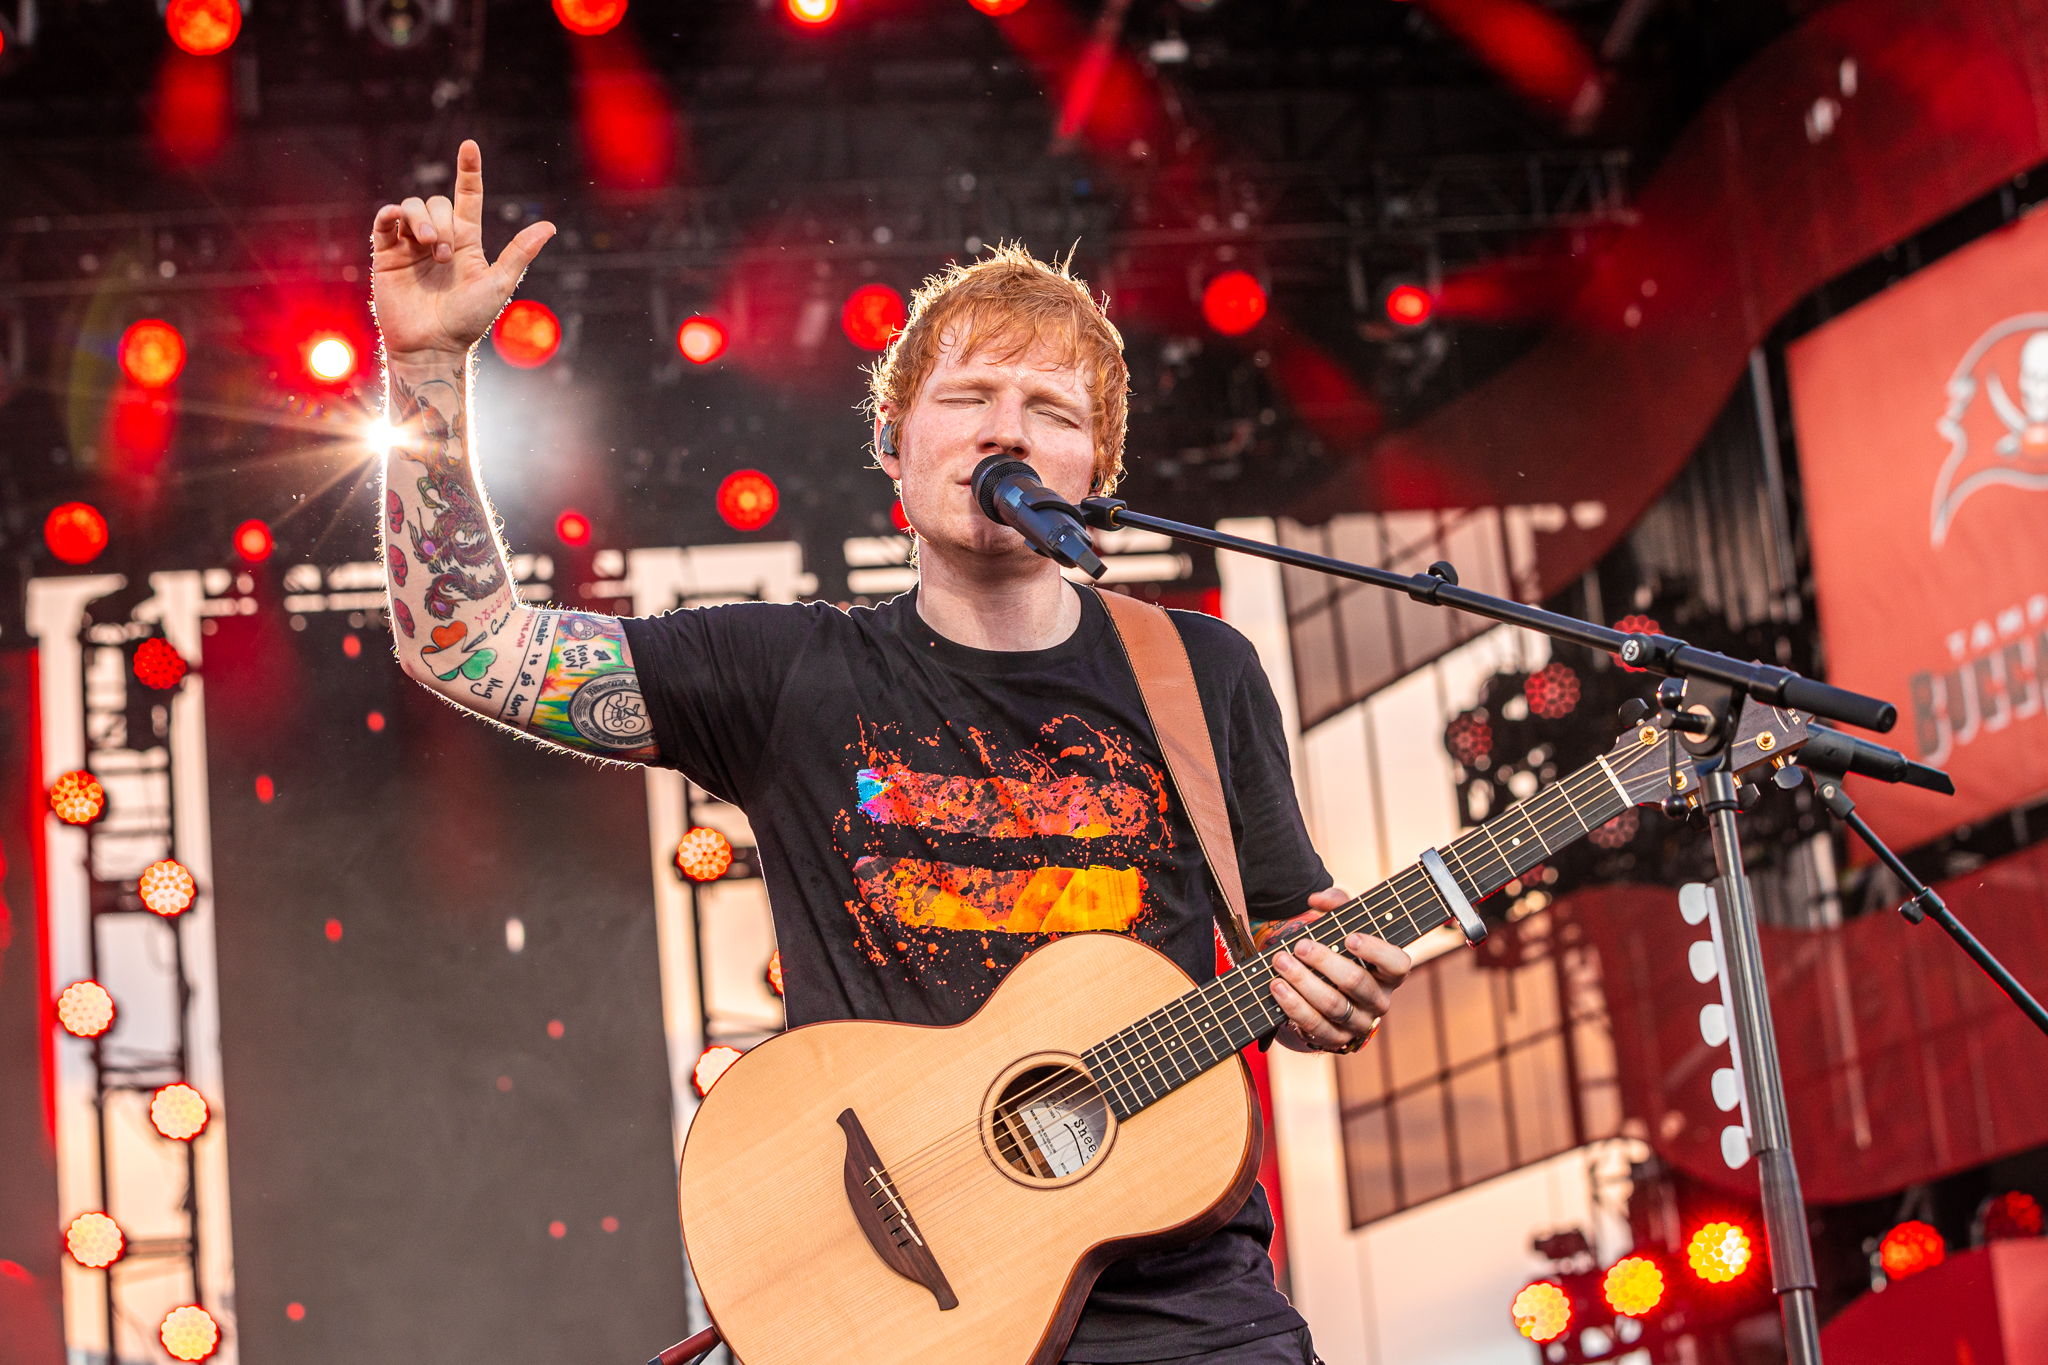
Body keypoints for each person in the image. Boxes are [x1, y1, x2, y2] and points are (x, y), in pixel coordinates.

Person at [373, 140, 1412, 1365]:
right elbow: (468, 647)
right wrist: (426, 369)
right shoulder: (787, 673)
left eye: (1049, 412)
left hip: (1187, 1314)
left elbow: (1288, 947)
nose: (1003, 432)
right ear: (893, 442)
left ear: (1095, 472)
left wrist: (1325, 994)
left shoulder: (1198, 673)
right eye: (967, 399)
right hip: (906, 1312)